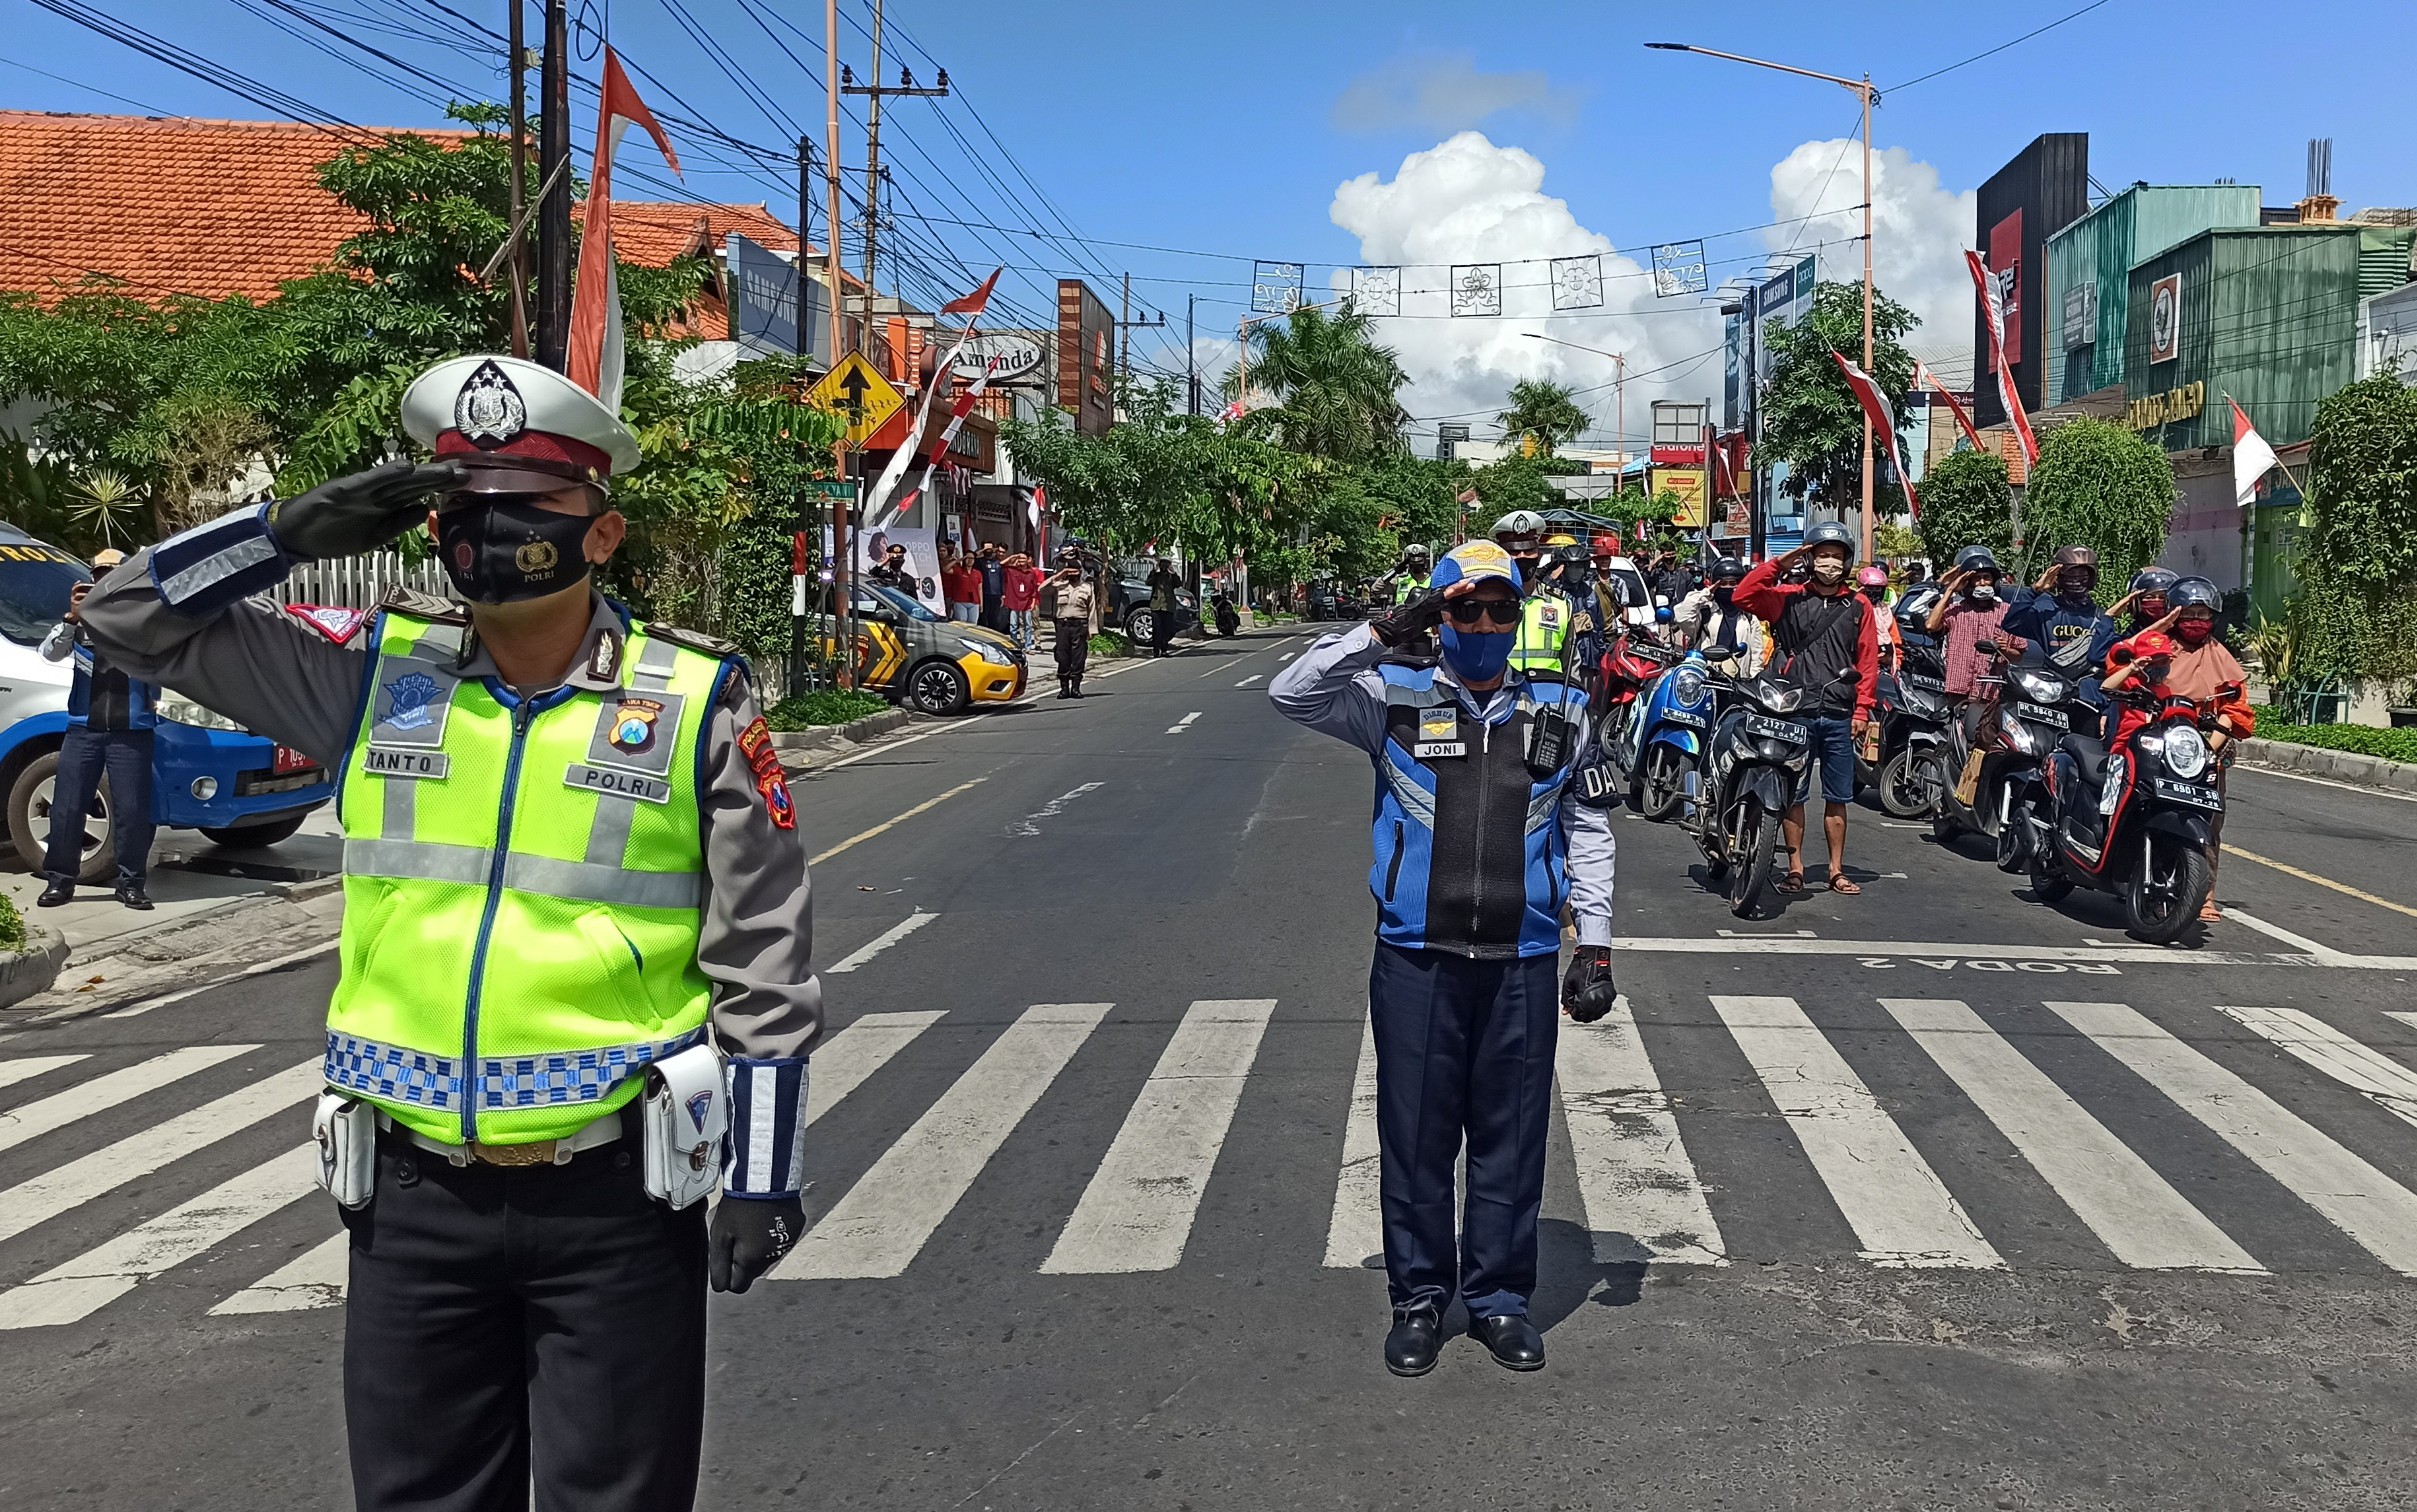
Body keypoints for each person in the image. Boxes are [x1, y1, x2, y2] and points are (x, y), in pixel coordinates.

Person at [72, 354, 819, 1511]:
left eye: (527, 505)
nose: (491, 531)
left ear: (603, 534)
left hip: (615, 1200)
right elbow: (121, 619)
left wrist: (765, 1178)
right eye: (463, 509)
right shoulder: (372, 682)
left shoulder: (689, 703)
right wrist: (278, 533)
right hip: (413, 1206)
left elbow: (762, 953)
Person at [1269, 540, 1618, 1378]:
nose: (1485, 623)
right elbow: (1289, 694)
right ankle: (1419, 1299)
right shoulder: (1388, 698)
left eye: (1501, 607)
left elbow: (1591, 831)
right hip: (1415, 961)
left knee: (1511, 1138)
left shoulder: (1562, 711)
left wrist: (1594, 945)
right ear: (1438, 615)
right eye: (1465, 607)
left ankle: (1499, 1299)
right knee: (1417, 1137)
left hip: (1522, 959)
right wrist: (1383, 633)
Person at [1734, 521, 1878, 897]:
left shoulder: (1859, 606)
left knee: (1838, 796)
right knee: (1792, 794)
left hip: (1837, 712)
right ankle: (1795, 868)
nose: (1830, 563)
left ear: (1846, 563)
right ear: (1811, 559)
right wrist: (1783, 562)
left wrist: (1862, 711)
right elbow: (1743, 595)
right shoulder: (1788, 597)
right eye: (1823, 555)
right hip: (1791, 711)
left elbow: (1867, 663)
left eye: (1836, 557)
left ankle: (1835, 870)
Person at [2125, 575, 2255, 921]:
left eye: (2203, 615)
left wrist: (2208, 751)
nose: (2196, 622)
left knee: (2209, 822)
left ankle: (2205, 894)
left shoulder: (2222, 658)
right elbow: (2124, 666)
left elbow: (2235, 712)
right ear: (2174, 614)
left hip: (2204, 749)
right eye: (2188, 615)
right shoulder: (2156, 646)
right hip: (2154, 741)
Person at [36, 548, 159, 909]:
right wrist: (72, 618)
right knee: (67, 807)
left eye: (113, 572)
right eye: (99, 573)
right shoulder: (78, 620)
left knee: (133, 810)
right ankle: (60, 881)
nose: (105, 579)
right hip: (83, 728)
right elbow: (49, 654)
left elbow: (164, 653)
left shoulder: (143, 616)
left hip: (132, 729)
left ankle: (131, 883)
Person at [1925, 547, 2022, 800]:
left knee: (1987, 744)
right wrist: (1949, 591)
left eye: (1986, 578)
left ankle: (1975, 793)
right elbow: (1931, 625)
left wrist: (2004, 648)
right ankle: (1944, 792)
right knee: (1955, 741)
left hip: (1993, 691)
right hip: (1960, 689)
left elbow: (2019, 653)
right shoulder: (1956, 611)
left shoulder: (2007, 612)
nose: (1982, 583)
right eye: (1976, 579)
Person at [2001, 545, 2120, 736]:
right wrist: (2035, 591)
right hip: (2049, 693)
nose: (2077, 581)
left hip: (2087, 700)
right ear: (2058, 576)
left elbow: (2110, 665)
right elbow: (2011, 623)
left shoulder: (2100, 617)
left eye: (2083, 576)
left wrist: (2107, 708)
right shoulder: (2044, 609)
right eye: (2071, 575)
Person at [1673, 557, 1767, 676]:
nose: (1728, 587)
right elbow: (1682, 614)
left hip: (1738, 681)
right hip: (1707, 678)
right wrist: (1707, 592)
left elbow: (1756, 655)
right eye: (1723, 584)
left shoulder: (1748, 616)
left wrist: (1752, 680)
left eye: (1733, 583)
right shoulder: (1705, 612)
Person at [1051, 554, 1096, 698]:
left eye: (1074, 572)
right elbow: (1041, 587)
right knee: (1062, 656)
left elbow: (1092, 608)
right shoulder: (1060, 585)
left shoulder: (1087, 587)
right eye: (1069, 572)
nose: (1072, 575)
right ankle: (1064, 689)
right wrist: (1061, 574)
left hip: (1079, 625)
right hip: (1063, 625)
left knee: (1078, 658)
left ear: (1080, 572)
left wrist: (1092, 629)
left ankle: (1075, 688)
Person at [1859, 567, 1899, 674]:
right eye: (1870, 589)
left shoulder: (1886, 612)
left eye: (1878, 589)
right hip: (1862, 665)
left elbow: (1895, 640)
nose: (1874, 593)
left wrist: (1897, 662)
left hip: (1885, 668)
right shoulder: (1855, 610)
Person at [1001, 551, 1042, 653]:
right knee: (1013, 626)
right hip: (1014, 601)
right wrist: (1013, 556)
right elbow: (1001, 564)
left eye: (1024, 559)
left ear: (1028, 560)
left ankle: (1028, 647)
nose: (1021, 561)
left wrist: (1033, 601)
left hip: (1027, 602)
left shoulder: (1031, 572)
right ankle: (1014, 646)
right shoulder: (1011, 570)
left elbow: (1034, 589)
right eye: (1020, 559)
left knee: (1028, 625)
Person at [2120, 566, 2178, 635]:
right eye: (2149, 597)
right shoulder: (2131, 634)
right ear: (2138, 603)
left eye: (2162, 597)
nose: (2156, 600)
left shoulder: (2181, 634)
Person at [1145, 556, 1182, 657]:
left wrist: (1173, 573)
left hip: (1168, 606)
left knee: (1167, 629)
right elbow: (1148, 582)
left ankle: (1164, 649)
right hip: (1156, 606)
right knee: (1157, 629)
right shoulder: (1156, 575)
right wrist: (1155, 572)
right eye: (1163, 563)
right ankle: (1156, 650)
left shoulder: (1171, 576)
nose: (1164, 566)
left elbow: (1178, 584)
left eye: (1167, 564)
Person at [941, 549, 981, 623]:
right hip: (960, 602)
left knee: (973, 624)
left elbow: (980, 588)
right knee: (962, 623)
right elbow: (945, 569)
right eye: (968, 558)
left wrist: (981, 603)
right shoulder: (958, 570)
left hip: (974, 603)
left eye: (972, 558)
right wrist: (956, 561)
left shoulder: (977, 573)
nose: (970, 560)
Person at [976, 542, 1008, 634]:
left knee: (994, 620)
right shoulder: (979, 561)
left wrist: (1003, 594)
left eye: (991, 549)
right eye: (987, 549)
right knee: (983, 619)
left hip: (996, 595)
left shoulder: (998, 562)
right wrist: (982, 550)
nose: (988, 551)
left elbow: (1001, 579)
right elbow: (972, 556)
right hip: (984, 595)